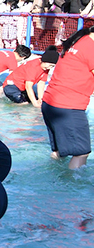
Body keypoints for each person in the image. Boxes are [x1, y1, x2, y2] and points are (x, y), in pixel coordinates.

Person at [41, 26, 94, 170]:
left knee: (59, 152)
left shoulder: (79, 40)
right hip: (68, 106)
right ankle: (73, 186)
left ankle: (53, 183)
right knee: (81, 152)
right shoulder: (91, 47)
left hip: (50, 103)